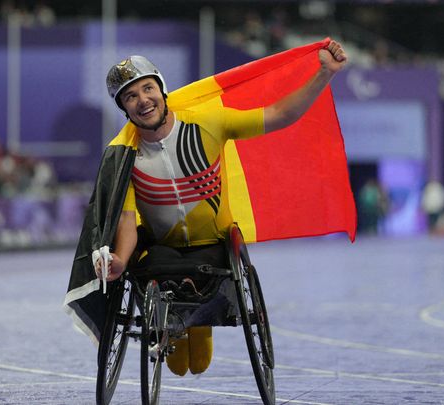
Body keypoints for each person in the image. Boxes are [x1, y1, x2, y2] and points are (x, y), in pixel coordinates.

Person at [88, 41, 347, 376]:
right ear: (124, 108)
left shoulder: (208, 122)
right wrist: (120, 261)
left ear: (162, 90)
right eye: (131, 96)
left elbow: (282, 114)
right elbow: (126, 219)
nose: (143, 100)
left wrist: (324, 73)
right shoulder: (124, 156)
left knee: (198, 360)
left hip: (212, 250)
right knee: (180, 363)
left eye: (147, 88)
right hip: (162, 254)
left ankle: (188, 312)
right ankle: (176, 315)